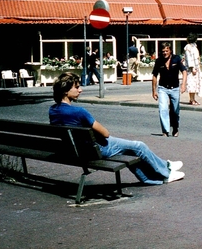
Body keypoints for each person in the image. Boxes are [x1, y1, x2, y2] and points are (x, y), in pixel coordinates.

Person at [49, 72, 184, 184]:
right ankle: (166, 172)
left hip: (77, 150)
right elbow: (105, 133)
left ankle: (155, 176)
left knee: (131, 150)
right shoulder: (79, 112)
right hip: (97, 150)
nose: (80, 90)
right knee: (139, 146)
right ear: (66, 91)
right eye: (77, 87)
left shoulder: (53, 111)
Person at [152, 42, 187, 137]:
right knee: (163, 109)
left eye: (167, 51)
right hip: (163, 88)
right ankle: (165, 130)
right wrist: (154, 91)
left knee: (175, 110)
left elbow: (184, 71)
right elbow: (155, 75)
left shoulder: (176, 59)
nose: (165, 53)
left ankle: (175, 128)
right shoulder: (159, 61)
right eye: (163, 51)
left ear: (170, 51)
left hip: (175, 88)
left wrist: (183, 84)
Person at [184, 33, 202, 106]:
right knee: (191, 84)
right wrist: (192, 68)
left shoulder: (193, 47)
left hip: (196, 67)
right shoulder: (188, 48)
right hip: (191, 69)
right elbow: (189, 59)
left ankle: (193, 99)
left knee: (195, 84)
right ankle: (191, 100)